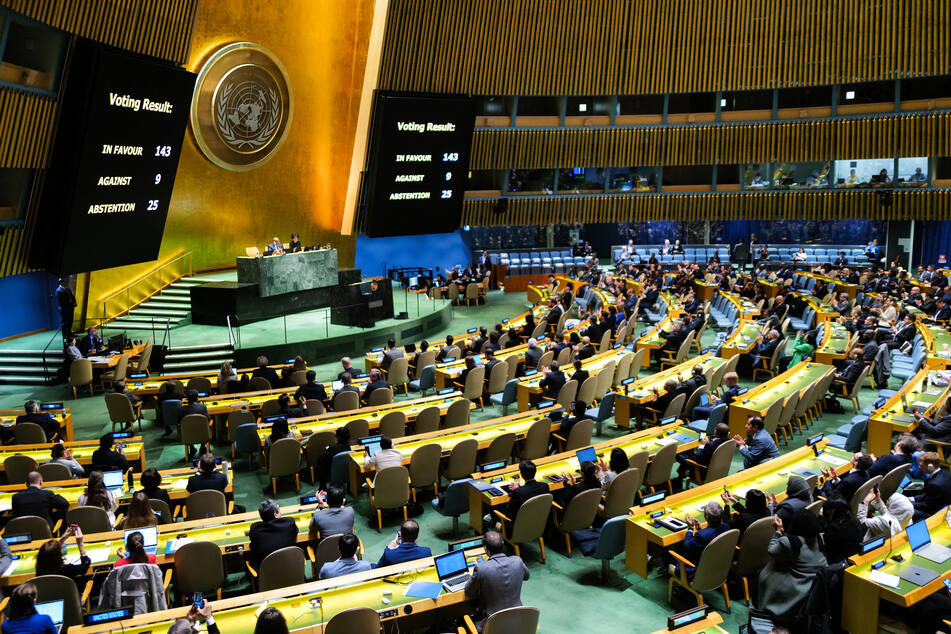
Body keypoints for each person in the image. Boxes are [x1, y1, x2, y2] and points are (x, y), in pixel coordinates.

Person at [757, 510, 828, 623]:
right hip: (815, 584)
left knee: (761, 574)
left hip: (797, 587)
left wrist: (777, 532)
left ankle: (764, 611)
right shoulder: (819, 537)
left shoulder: (790, 542)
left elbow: (772, 550)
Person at [464, 531, 530, 632]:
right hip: (517, 620)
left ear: (485, 548)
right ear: (503, 543)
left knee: (462, 621)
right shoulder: (517, 561)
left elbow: (469, 592)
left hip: (491, 624)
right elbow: (526, 576)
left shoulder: (481, 568)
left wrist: (481, 567)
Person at [670, 502, 729, 580]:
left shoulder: (702, 535)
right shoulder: (726, 527)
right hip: (719, 567)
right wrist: (700, 530)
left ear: (706, 517)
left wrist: (690, 528)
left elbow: (687, 546)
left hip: (698, 572)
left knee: (667, 554)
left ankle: (680, 586)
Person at [675, 423, 730, 488]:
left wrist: (702, 445)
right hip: (718, 468)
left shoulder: (710, 445)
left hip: (701, 471)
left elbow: (698, 459)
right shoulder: (729, 441)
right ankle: (679, 478)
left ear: (716, 431)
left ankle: (679, 479)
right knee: (689, 452)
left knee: (678, 455)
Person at [248, 499, 299, 568]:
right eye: (279, 509)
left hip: (268, 575)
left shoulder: (255, 530)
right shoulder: (289, 523)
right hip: (292, 570)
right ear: (276, 514)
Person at [819, 496, 863, 564]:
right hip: (854, 557)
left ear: (832, 511)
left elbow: (829, 550)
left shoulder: (833, 528)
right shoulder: (855, 521)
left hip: (838, 563)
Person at [909, 452, 951, 521]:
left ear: (930, 466)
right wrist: (911, 499)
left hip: (934, 514)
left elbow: (926, 506)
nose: (919, 467)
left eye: (921, 465)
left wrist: (907, 504)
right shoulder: (945, 474)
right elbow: (927, 495)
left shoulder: (935, 484)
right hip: (939, 507)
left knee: (904, 509)